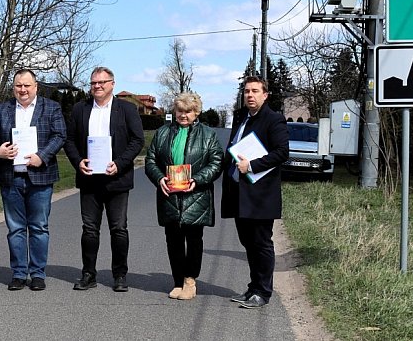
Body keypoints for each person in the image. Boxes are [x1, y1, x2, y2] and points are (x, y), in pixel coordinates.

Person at [63, 66, 144, 292]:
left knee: (119, 228)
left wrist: (120, 163)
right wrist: (78, 161)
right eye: (93, 83)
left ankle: (120, 275)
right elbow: (69, 140)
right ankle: (88, 273)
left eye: (102, 82)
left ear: (112, 84)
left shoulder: (126, 109)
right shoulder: (80, 109)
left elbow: (137, 141)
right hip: (89, 179)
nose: (97, 86)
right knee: (89, 229)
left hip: (116, 179)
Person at [0, 69, 66, 291]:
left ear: (36, 87)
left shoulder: (51, 107)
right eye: (18, 86)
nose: (22, 90)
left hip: (40, 176)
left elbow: (60, 135)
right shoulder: (2, 109)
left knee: (39, 227)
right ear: (13, 88)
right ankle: (19, 273)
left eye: (27, 85)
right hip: (11, 177)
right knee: (15, 228)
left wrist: (42, 156)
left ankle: (38, 273)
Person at [144, 92, 223, 300]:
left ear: (196, 113)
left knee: (194, 239)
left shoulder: (208, 134)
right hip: (169, 194)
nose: (183, 115)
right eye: (180, 111)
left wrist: (197, 180)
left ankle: (190, 280)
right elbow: (150, 160)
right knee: (173, 240)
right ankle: (177, 281)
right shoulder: (162, 133)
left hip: (196, 195)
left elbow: (216, 162)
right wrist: (159, 178)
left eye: (188, 111)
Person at [221, 76, 289, 309]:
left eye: (255, 91)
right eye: (247, 91)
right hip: (239, 192)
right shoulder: (241, 117)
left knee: (261, 243)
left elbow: (282, 152)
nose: (250, 95)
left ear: (265, 95)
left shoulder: (274, 119)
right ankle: (253, 288)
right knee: (248, 242)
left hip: (260, 194)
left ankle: (263, 291)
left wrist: (251, 165)